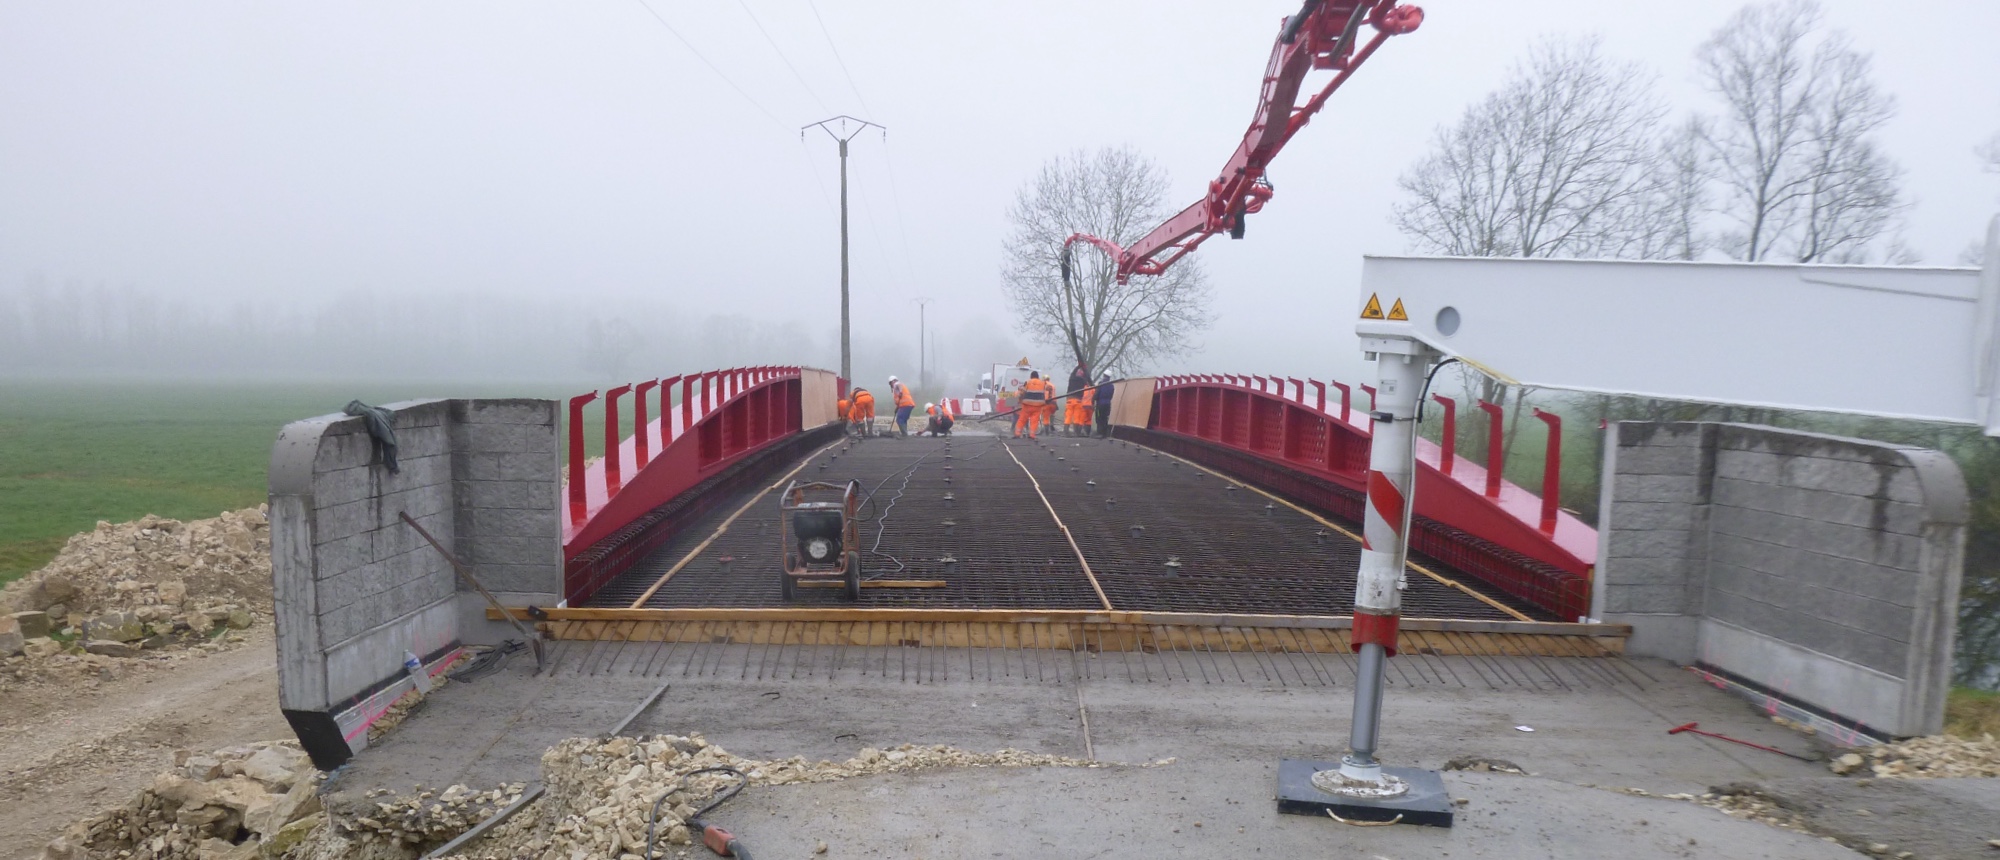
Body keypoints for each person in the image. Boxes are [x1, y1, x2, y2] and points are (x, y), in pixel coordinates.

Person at [1015, 371, 1050, 438]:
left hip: (1027, 405)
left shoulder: (1028, 382)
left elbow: (1022, 393)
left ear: (1031, 376)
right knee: (1034, 421)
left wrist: (1020, 402)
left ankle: (1017, 433)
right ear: (1038, 376)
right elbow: (1047, 390)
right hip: (1038, 406)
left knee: (1022, 419)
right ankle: (1032, 435)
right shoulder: (1043, 383)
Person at [1065, 362, 1090, 436]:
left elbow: (1073, 372)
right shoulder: (1083, 381)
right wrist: (1085, 368)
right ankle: (1076, 432)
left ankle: (1066, 431)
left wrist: (1078, 366)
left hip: (1069, 399)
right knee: (1076, 417)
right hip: (1078, 400)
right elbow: (1087, 376)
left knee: (1068, 416)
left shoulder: (1072, 378)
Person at [1093, 372, 1116, 438]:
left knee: (1099, 418)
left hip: (1100, 404)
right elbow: (1111, 396)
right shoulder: (1111, 386)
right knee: (1105, 418)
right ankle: (1105, 433)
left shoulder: (1100, 384)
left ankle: (1099, 433)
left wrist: (1094, 399)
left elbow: (1097, 394)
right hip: (1108, 404)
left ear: (1104, 375)